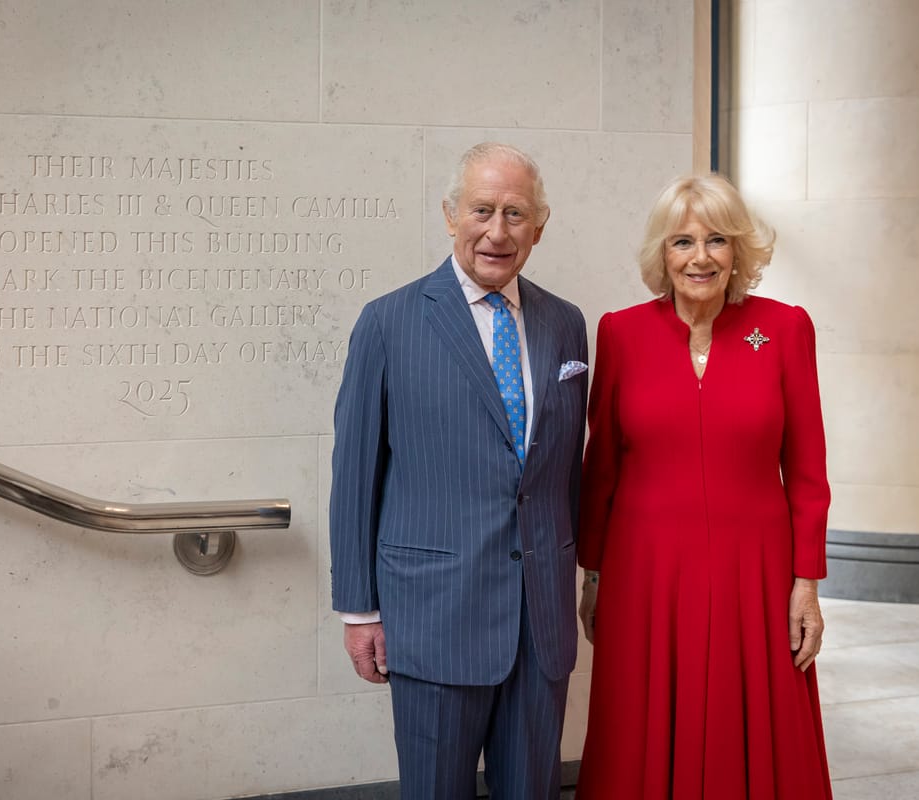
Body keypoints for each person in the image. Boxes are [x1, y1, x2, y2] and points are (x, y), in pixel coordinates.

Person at [330, 142, 589, 799]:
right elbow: (356, 475)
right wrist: (358, 610)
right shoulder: (388, 323)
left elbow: (563, 471)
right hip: (434, 616)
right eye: (481, 210)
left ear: (540, 224)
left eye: (514, 213)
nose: (497, 232)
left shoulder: (566, 325)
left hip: (541, 622)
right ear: (450, 215)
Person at [575, 173, 833, 799]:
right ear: (662, 255)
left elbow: (806, 469)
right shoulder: (620, 332)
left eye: (716, 240)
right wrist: (594, 575)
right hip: (644, 573)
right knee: (640, 723)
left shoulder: (785, 328)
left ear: (738, 251)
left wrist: (806, 585)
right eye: (682, 241)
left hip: (757, 572)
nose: (700, 257)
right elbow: (600, 466)